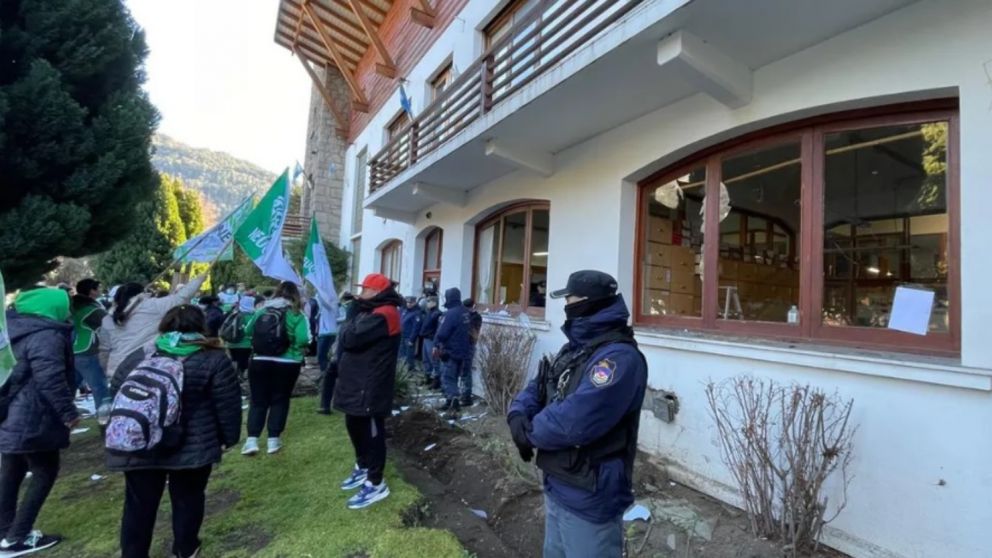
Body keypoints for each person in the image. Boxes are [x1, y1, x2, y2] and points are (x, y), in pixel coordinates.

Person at [507, 271, 648, 558]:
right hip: (558, 483)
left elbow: (576, 420)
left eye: (569, 299)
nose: (566, 305)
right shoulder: (575, 348)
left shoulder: (618, 359)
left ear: (586, 302)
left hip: (590, 495)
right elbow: (540, 385)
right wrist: (517, 416)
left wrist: (529, 433)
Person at [108, 305, 242, 558]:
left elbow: (118, 390)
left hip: (141, 442)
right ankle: (185, 548)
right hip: (192, 443)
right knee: (188, 499)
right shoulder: (213, 358)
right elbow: (227, 403)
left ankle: (133, 553)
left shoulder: (140, 355)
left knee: (138, 505)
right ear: (201, 326)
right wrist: (229, 437)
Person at [0, 288, 81, 555]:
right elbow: (51, 379)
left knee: (11, 471)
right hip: (34, 416)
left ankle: (4, 530)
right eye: (65, 306)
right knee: (44, 471)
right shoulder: (46, 335)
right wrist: (69, 413)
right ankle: (17, 537)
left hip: (10, 414)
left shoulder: (11, 329)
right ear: (52, 308)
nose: (68, 311)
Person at [334, 274, 403, 510]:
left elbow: (350, 338)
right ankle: (362, 466)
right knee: (354, 424)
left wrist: (351, 314)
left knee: (372, 432)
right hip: (358, 382)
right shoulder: (370, 311)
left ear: (375, 292)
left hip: (371, 385)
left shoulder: (384, 314)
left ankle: (376, 482)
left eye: (365, 290)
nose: (361, 293)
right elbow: (346, 337)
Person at [241, 281, 310, 456]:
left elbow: (248, 331)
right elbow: (303, 339)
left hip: (259, 360)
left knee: (257, 400)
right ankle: (273, 440)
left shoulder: (262, 311)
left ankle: (252, 440)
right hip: (288, 363)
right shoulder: (297, 314)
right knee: (280, 399)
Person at [100, 276, 206, 379]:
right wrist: (200, 278)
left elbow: (104, 348)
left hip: (117, 371)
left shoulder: (108, 318)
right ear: (142, 293)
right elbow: (182, 297)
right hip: (143, 367)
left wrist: (105, 370)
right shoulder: (153, 306)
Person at [71, 278, 110, 409]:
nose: (100, 291)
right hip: (88, 353)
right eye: (97, 288)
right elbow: (111, 324)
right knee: (100, 389)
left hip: (72, 351)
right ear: (92, 291)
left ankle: (59, 418)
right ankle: (104, 421)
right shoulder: (92, 310)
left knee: (69, 389)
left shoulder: (73, 305)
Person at [433, 287, 472, 413]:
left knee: (447, 377)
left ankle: (453, 402)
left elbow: (443, 333)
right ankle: (450, 401)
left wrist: (437, 344)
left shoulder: (450, 313)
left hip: (451, 351)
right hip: (464, 351)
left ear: (449, 298)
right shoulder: (465, 312)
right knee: (455, 377)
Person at [313, 290, 340, 416]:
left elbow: (323, 302)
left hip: (328, 334)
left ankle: (325, 377)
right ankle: (325, 376)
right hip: (323, 334)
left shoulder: (331, 306)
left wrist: (319, 290)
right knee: (322, 357)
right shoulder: (323, 308)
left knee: (323, 357)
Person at [223, 295, 258, 383]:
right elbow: (252, 330)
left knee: (234, 360)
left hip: (231, 342)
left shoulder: (234, 313)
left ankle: (233, 377)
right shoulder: (252, 315)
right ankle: (240, 378)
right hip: (245, 344)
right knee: (243, 363)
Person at [462, 298, 483, 408]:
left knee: (466, 371)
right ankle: (463, 394)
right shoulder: (466, 316)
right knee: (463, 371)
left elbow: (473, 333)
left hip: (469, 345)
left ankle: (466, 396)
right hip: (463, 345)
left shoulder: (476, 317)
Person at [419, 296, 441, 389]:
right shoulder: (429, 312)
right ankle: (427, 377)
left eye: (429, 301)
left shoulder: (437, 314)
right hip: (425, 338)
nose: (427, 303)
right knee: (425, 359)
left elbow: (438, 328)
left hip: (432, 339)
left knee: (434, 360)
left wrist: (435, 341)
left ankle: (436, 380)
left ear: (434, 302)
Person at [399, 297, 423, 373]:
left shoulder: (416, 313)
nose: (408, 304)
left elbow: (416, 328)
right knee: (401, 354)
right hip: (402, 335)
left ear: (414, 303)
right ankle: (402, 369)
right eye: (407, 303)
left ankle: (410, 370)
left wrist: (412, 339)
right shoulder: (405, 311)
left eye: (410, 303)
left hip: (409, 337)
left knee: (409, 354)